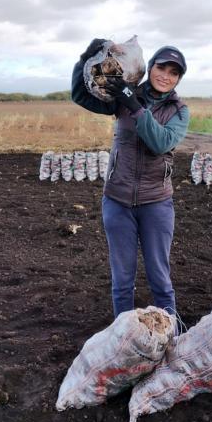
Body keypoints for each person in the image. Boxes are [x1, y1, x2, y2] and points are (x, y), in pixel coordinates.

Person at [71, 38, 190, 320]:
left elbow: (160, 143)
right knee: (122, 281)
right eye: (162, 68)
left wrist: (134, 105)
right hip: (117, 200)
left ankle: (169, 336)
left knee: (160, 279)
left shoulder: (179, 111)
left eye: (174, 73)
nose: (166, 76)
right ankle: (123, 340)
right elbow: (81, 96)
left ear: (178, 79)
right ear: (150, 68)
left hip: (156, 204)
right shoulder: (123, 95)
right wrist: (83, 60)